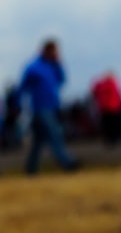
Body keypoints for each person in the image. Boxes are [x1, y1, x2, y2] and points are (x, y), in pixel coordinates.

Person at [19, 39, 79, 174]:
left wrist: (58, 63)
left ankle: (31, 169)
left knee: (38, 141)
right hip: (40, 107)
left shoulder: (53, 66)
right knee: (55, 134)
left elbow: (62, 80)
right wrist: (18, 105)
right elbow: (23, 87)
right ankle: (67, 162)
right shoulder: (34, 67)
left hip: (52, 106)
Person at [90, 70, 121, 146]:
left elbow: (94, 92)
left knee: (107, 125)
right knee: (114, 124)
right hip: (113, 107)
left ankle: (108, 140)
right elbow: (118, 95)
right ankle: (114, 139)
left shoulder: (100, 84)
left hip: (104, 107)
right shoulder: (113, 83)